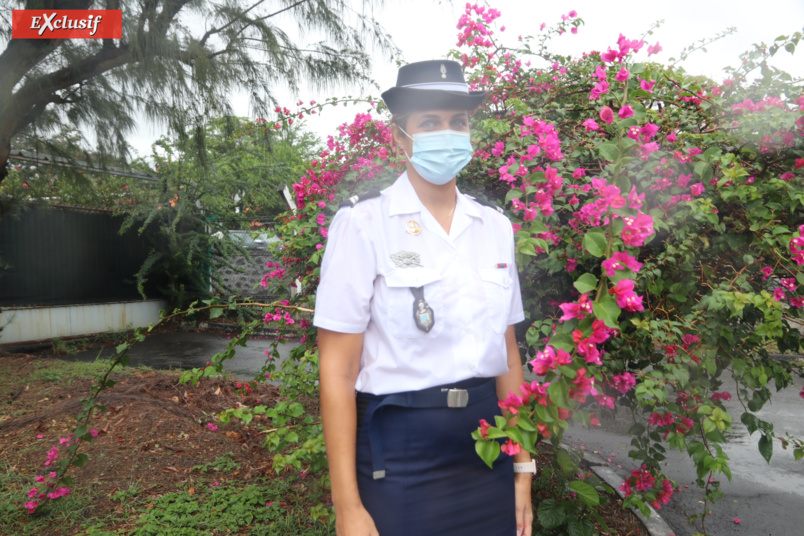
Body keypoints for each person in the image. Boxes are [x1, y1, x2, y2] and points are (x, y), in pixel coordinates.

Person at [315, 59, 534, 536]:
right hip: (400, 450)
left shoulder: (495, 227)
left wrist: (523, 466)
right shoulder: (363, 224)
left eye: (458, 122)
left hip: (487, 443)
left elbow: (508, 352)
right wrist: (346, 506)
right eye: (430, 122)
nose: (448, 133)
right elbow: (337, 370)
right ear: (400, 136)